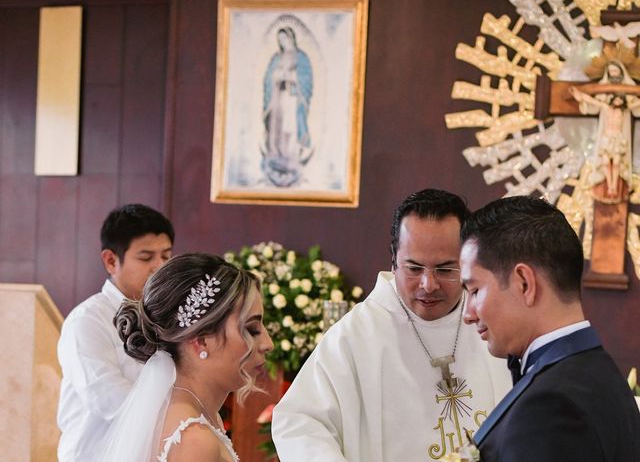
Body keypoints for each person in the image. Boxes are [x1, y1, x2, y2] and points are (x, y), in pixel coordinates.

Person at [272, 188, 511, 462]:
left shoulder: (491, 320)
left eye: (445, 269)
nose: (428, 284)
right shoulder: (357, 335)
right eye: (414, 268)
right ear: (393, 260)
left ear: (468, 261)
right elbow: (299, 423)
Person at [460, 195, 640, 461]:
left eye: (475, 290)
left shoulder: (549, 408)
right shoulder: (597, 371)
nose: (468, 314)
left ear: (524, 283)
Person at [100, 253, 274, 461]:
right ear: (200, 340)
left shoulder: (197, 415)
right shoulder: (194, 439)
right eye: (251, 329)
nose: (268, 343)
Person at [57, 203, 174, 462]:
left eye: (166, 256)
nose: (159, 267)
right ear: (111, 261)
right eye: (146, 258)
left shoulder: (167, 317)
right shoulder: (87, 320)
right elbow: (107, 396)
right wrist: (180, 422)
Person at [569, 60, 640, 201]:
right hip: (606, 137)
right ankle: (610, 186)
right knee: (606, 163)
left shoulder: (625, 104)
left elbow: (635, 104)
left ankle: (614, 186)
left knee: (618, 163)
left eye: (616, 71)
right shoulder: (605, 105)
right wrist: (581, 96)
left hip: (619, 137)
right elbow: (594, 102)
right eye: (611, 72)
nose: (614, 74)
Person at [262, 26, 314, 187]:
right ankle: (276, 155)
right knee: (277, 127)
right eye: (280, 40)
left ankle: (291, 158)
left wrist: (292, 76)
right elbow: (268, 79)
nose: (283, 42)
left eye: (285, 39)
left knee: (290, 127)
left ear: (291, 38)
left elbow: (306, 78)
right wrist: (275, 77)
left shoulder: (301, 58)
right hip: (278, 98)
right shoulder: (276, 58)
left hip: (292, 98)